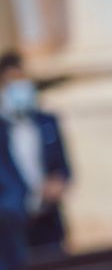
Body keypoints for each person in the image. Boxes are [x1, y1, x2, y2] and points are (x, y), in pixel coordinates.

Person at [0, 51, 72, 254]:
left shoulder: (47, 122)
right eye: (12, 81)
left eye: (22, 79)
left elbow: (64, 168)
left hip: (48, 221)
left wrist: (58, 182)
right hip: (10, 227)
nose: (19, 87)